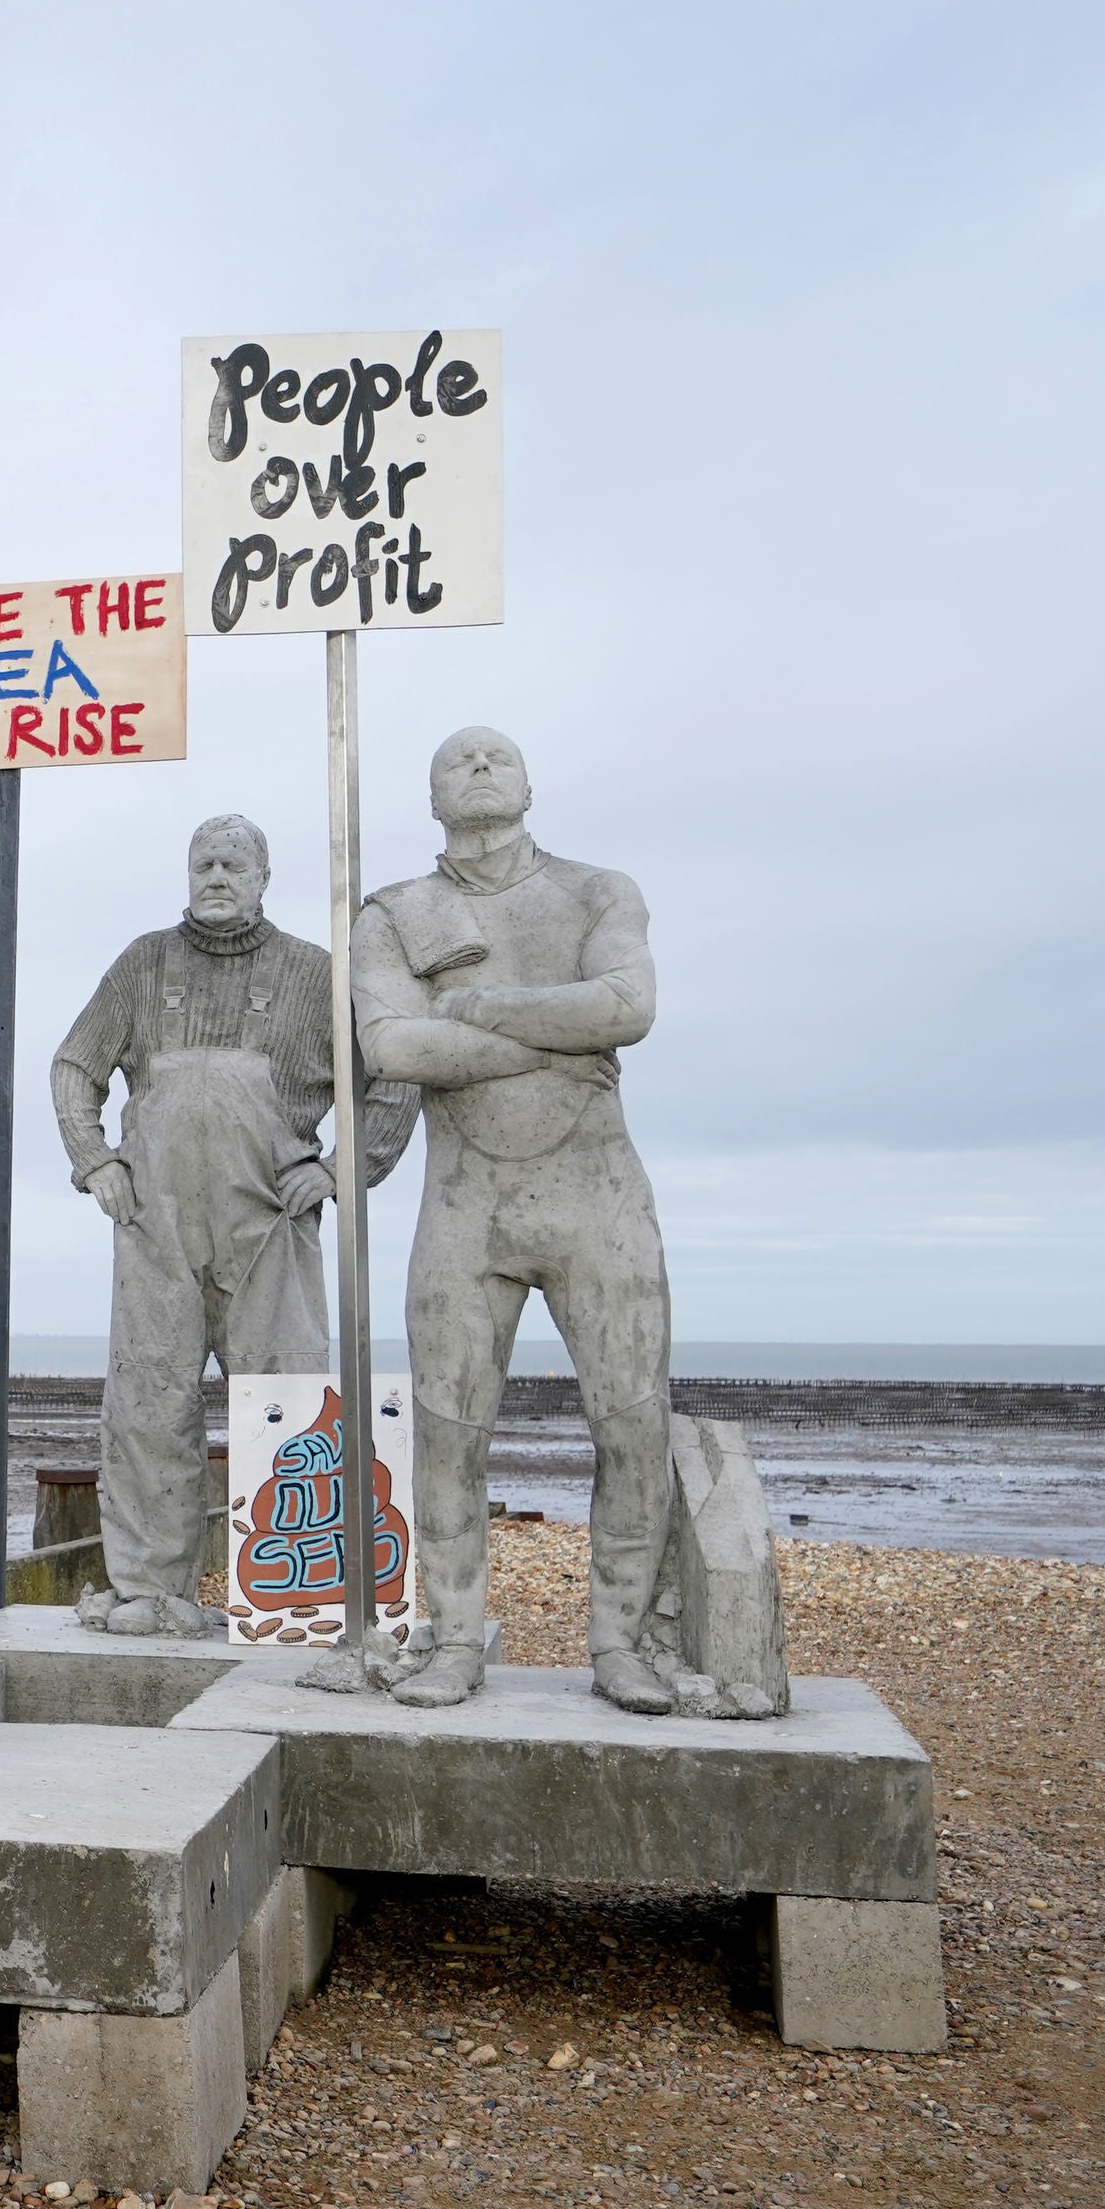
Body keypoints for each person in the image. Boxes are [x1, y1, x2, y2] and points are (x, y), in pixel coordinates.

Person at [354, 728, 673, 1713]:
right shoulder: (394, 913)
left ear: (529, 783)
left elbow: (626, 1004)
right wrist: (550, 1038)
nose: (479, 765)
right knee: (447, 1434)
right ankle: (451, 1636)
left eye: (496, 755)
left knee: (631, 1422)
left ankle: (621, 1638)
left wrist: (481, 1006)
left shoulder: (596, 891)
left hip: (594, 1190)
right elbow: (390, 1043)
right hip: (465, 1203)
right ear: (432, 795)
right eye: (456, 758)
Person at [53, 813, 417, 1636]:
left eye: (233, 864)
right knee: (147, 1408)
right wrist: (97, 1161)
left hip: (270, 1228)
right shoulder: (144, 964)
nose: (216, 875)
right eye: (203, 863)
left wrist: (343, 1172)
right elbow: (75, 1066)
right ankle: (150, 1589)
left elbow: (390, 1078)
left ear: (263, 878)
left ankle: (300, 1598)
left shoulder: (315, 975)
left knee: (287, 1397)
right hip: (156, 1229)